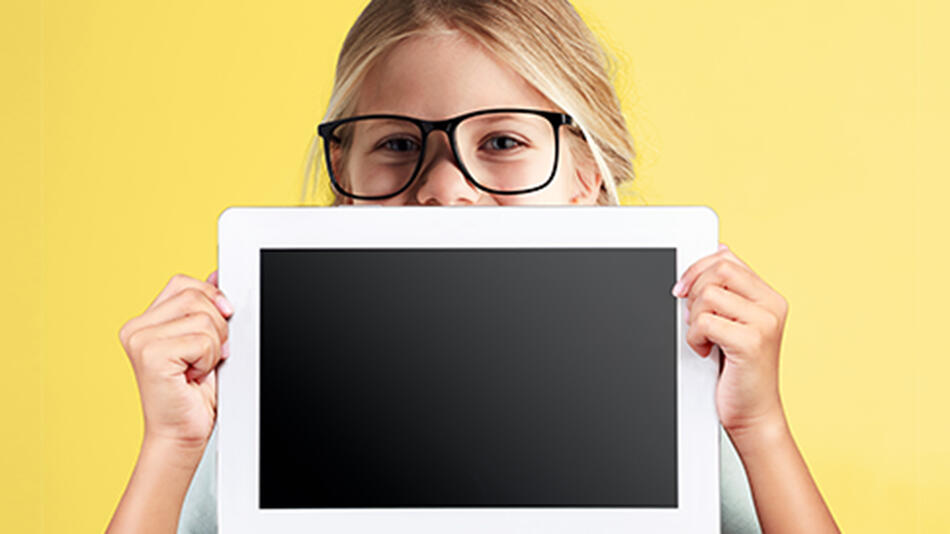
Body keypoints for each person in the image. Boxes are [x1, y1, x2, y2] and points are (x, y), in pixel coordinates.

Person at [106, 1, 840, 533]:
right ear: (342, 170)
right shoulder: (260, 404)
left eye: (502, 143)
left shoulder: (673, 397)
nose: (446, 188)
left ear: (587, 174)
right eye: (396, 143)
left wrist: (761, 426)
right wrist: (171, 447)